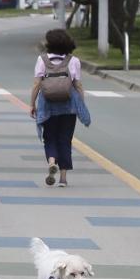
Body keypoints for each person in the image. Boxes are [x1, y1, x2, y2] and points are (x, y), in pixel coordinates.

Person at [29, 29, 91, 187]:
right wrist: (80, 105)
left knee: (49, 137)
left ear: (50, 44)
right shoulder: (73, 61)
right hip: (68, 107)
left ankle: (51, 162)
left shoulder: (42, 60)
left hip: (47, 105)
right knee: (65, 140)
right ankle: (63, 178)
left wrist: (32, 104)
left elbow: (37, 84)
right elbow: (78, 85)